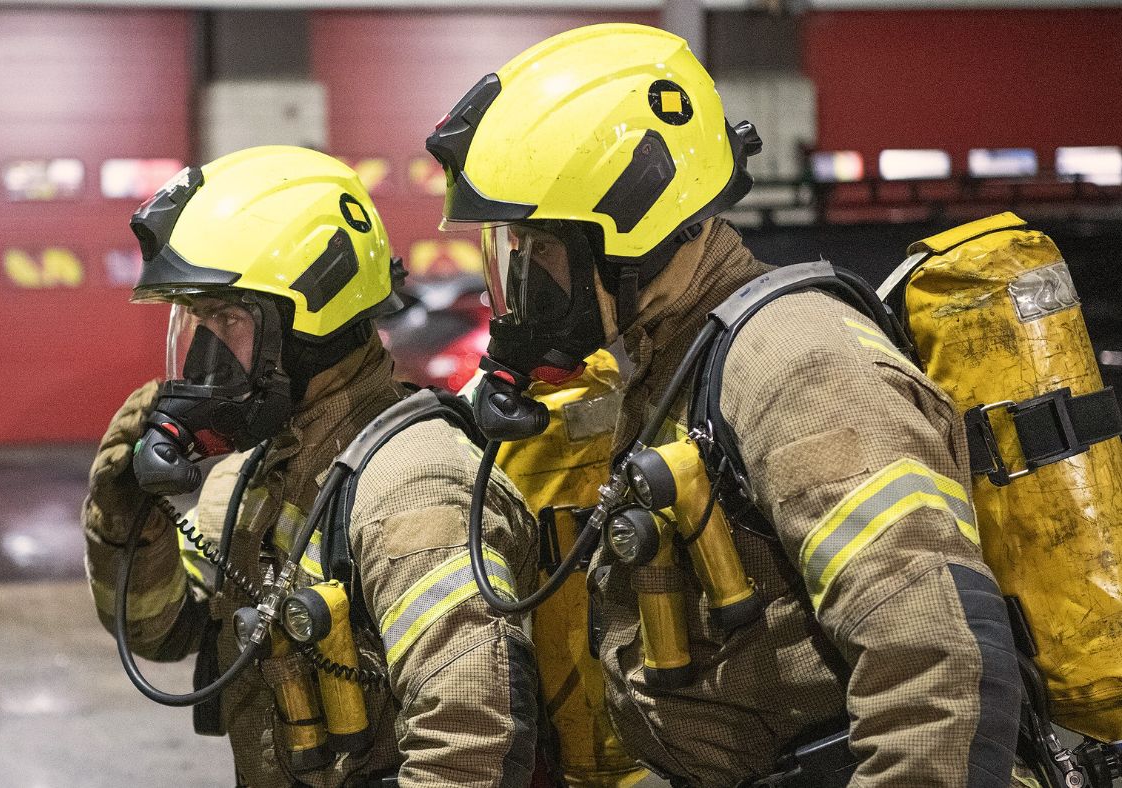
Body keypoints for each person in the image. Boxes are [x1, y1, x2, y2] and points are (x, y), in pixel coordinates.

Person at [426, 23, 1023, 787]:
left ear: (633, 227)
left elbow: (938, 661)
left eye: (541, 249)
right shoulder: (671, 363)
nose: (527, 285)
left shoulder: (795, 360)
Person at [81, 146, 539, 787]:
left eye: (228, 319)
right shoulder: (257, 475)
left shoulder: (414, 487)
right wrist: (130, 516)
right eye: (199, 322)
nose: (205, 355)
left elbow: (470, 748)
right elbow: (160, 633)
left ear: (310, 318)